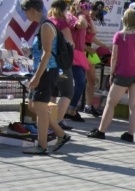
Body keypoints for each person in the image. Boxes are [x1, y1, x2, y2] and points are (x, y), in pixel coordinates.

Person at [86, 8, 135, 142]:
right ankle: (130, 134)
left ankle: (101, 131)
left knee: (110, 103)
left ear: (124, 19)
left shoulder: (119, 35)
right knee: (133, 105)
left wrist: (112, 73)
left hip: (123, 73)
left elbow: (114, 56)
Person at [20, 0, 70, 155]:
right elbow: (42, 51)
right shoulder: (42, 25)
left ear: (33, 10)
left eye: (25, 11)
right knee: (33, 106)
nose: (25, 14)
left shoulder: (46, 26)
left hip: (47, 72)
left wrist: (36, 76)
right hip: (43, 71)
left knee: (40, 109)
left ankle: (42, 146)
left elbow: (47, 53)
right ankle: (61, 134)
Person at [47, 0, 77, 132]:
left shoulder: (47, 22)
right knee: (67, 92)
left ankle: (48, 120)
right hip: (61, 62)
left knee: (53, 92)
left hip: (48, 62)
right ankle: (57, 121)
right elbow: (70, 43)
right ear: (63, 10)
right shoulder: (61, 23)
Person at [64, 1, 91, 123]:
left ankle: (69, 109)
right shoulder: (71, 16)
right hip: (71, 54)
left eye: (89, 6)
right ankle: (69, 109)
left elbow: (93, 29)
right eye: (86, 6)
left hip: (78, 54)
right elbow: (82, 25)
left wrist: (87, 15)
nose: (88, 9)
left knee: (79, 83)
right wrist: (80, 13)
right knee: (79, 83)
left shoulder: (83, 18)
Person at [83, 1, 109, 117]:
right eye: (94, 12)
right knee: (79, 80)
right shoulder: (83, 19)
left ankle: (88, 106)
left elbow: (91, 37)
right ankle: (72, 106)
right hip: (81, 50)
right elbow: (78, 37)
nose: (95, 15)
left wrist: (105, 46)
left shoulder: (90, 20)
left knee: (92, 80)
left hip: (89, 50)